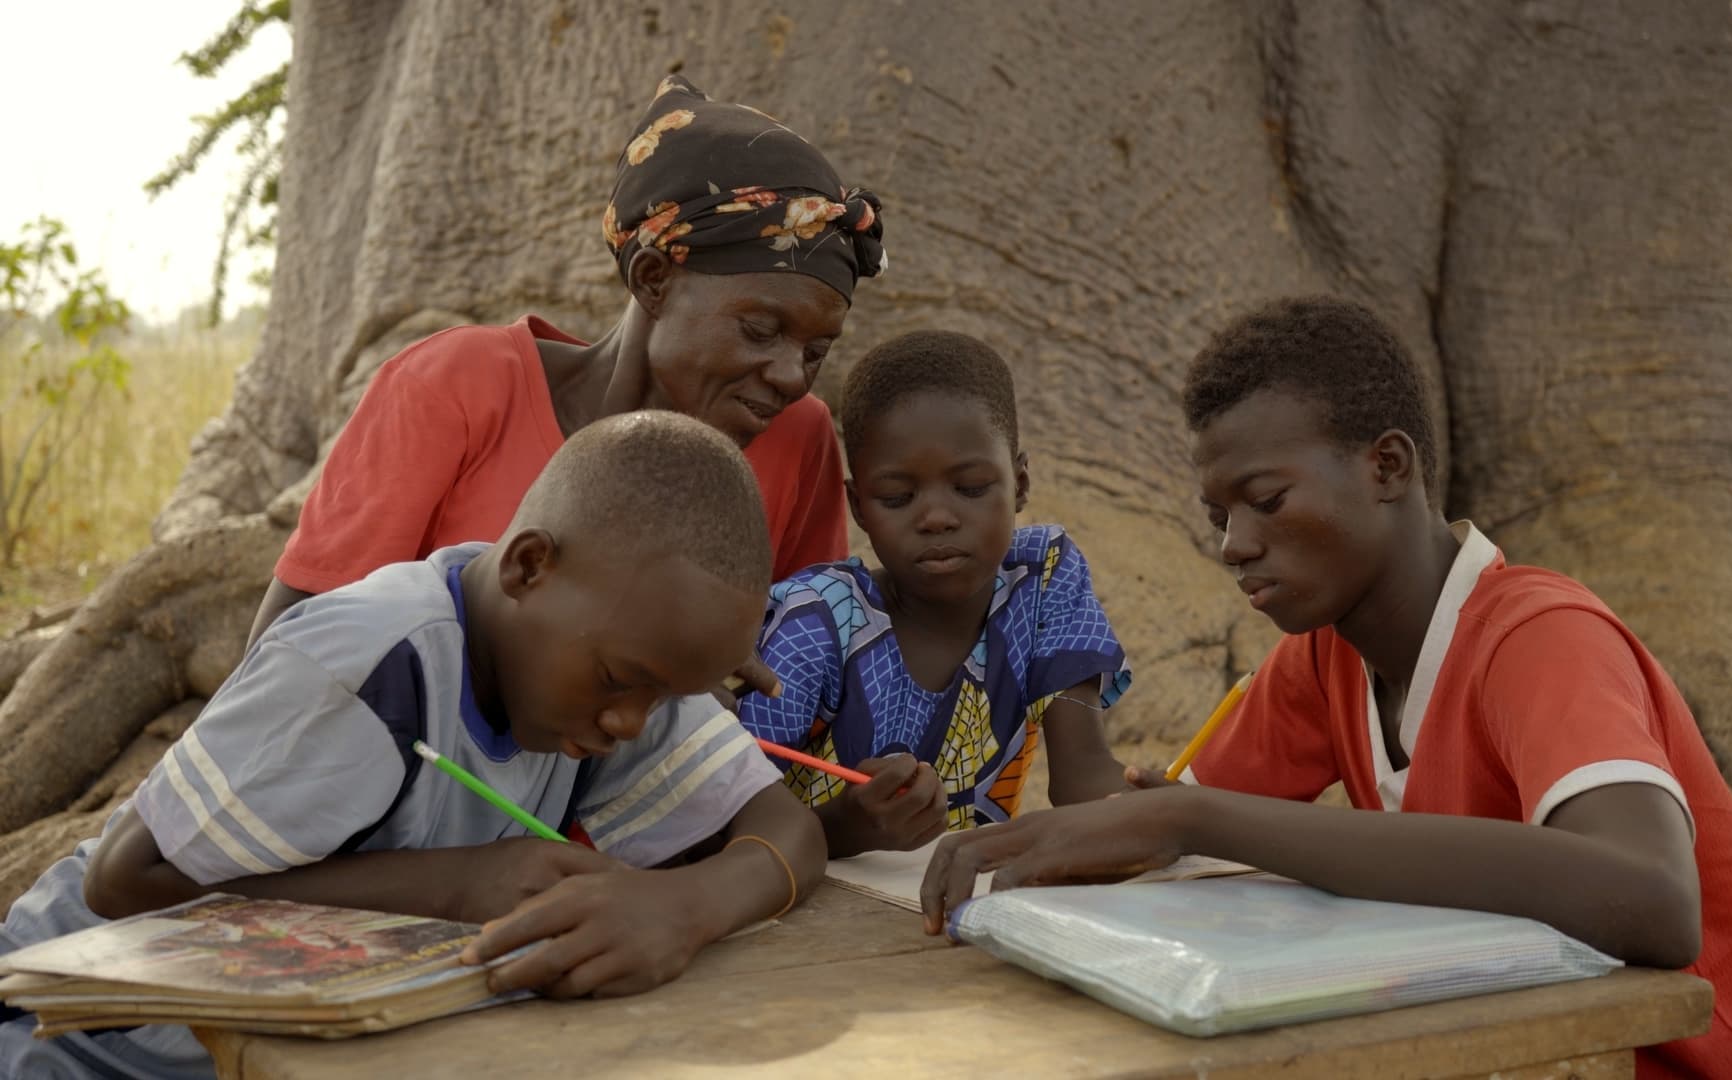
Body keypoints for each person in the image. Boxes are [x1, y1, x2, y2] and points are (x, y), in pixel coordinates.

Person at [918, 298, 1732, 1078]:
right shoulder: (1323, 660)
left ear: (1388, 466)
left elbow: (1651, 903)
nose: (1234, 542)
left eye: (1267, 500)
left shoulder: (1541, 638)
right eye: (1218, 514)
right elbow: (1170, 834)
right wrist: (1100, 832)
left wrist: (1192, 824)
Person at [1, 412, 827, 1079]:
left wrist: (683, 910)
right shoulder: (371, 663)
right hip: (73, 1037)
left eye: (664, 698)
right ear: (530, 567)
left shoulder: (618, 650)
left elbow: (790, 832)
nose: (631, 725)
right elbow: (124, 879)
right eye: (623, 684)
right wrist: (462, 883)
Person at [247, 73, 888, 664]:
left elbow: (801, 664)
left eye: (815, 352)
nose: (788, 375)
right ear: (653, 279)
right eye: (760, 330)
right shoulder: (459, 387)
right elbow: (291, 648)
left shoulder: (797, 439)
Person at [737, 331, 1132, 857]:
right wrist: (845, 827)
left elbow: (1081, 777)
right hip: (805, 913)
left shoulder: (1041, 575)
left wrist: (1173, 814)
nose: (938, 517)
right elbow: (720, 822)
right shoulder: (817, 623)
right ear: (858, 506)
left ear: (1020, 482)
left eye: (970, 488)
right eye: (898, 497)